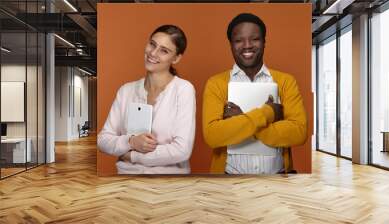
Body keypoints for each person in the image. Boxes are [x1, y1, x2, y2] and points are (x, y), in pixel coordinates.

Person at [202, 13, 307, 174]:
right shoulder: (216, 83)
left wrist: (241, 121)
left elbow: (299, 133)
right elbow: (213, 136)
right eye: (239, 40)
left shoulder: (286, 82)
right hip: (229, 181)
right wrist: (268, 113)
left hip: (277, 182)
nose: (247, 45)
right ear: (231, 44)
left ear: (264, 42)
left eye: (255, 39)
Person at [98, 25, 196, 174]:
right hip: (126, 182)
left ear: (176, 58)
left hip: (170, 185)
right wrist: (130, 141)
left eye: (164, 51)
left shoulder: (183, 90)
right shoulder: (126, 91)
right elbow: (103, 140)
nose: (153, 53)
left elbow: (181, 150)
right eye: (152, 44)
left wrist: (132, 156)